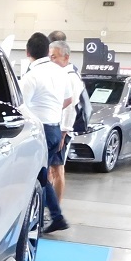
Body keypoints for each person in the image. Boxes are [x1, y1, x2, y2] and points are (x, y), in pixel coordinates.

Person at [20, 32, 73, 233]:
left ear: (28, 52)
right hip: (54, 129)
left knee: (40, 176)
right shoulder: (61, 72)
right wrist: (52, 111)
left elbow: (20, 107)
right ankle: (46, 216)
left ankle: (55, 217)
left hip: (39, 131)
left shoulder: (31, 76)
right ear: (47, 51)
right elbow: (68, 99)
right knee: (42, 175)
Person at [48, 39, 83, 207]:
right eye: (50, 57)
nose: (52, 60)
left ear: (66, 57)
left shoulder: (70, 77)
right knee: (51, 169)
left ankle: (56, 207)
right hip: (54, 127)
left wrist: (63, 133)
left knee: (57, 168)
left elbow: (70, 106)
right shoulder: (59, 75)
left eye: (55, 57)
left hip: (61, 130)